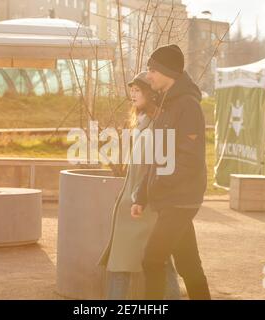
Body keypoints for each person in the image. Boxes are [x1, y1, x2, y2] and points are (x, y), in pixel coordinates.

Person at [131, 44, 211, 300]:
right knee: (189, 265)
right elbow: (158, 157)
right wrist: (142, 195)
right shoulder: (167, 105)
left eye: (152, 70)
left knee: (152, 260)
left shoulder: (188, 106)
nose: (148, 75)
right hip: (170, 198)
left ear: (168, 72)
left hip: (180, 199)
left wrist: (159, 186)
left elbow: (190, 160)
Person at [97, 72, 180, 300]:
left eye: (138, 90)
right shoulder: (143, 124)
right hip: (133, 207)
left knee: (142, 264)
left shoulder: (160, 125)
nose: (132, 94)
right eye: (131, 90)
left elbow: (162, 168)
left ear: (151, 94)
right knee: (140, 263)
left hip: (145, 207)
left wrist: (143, 199)